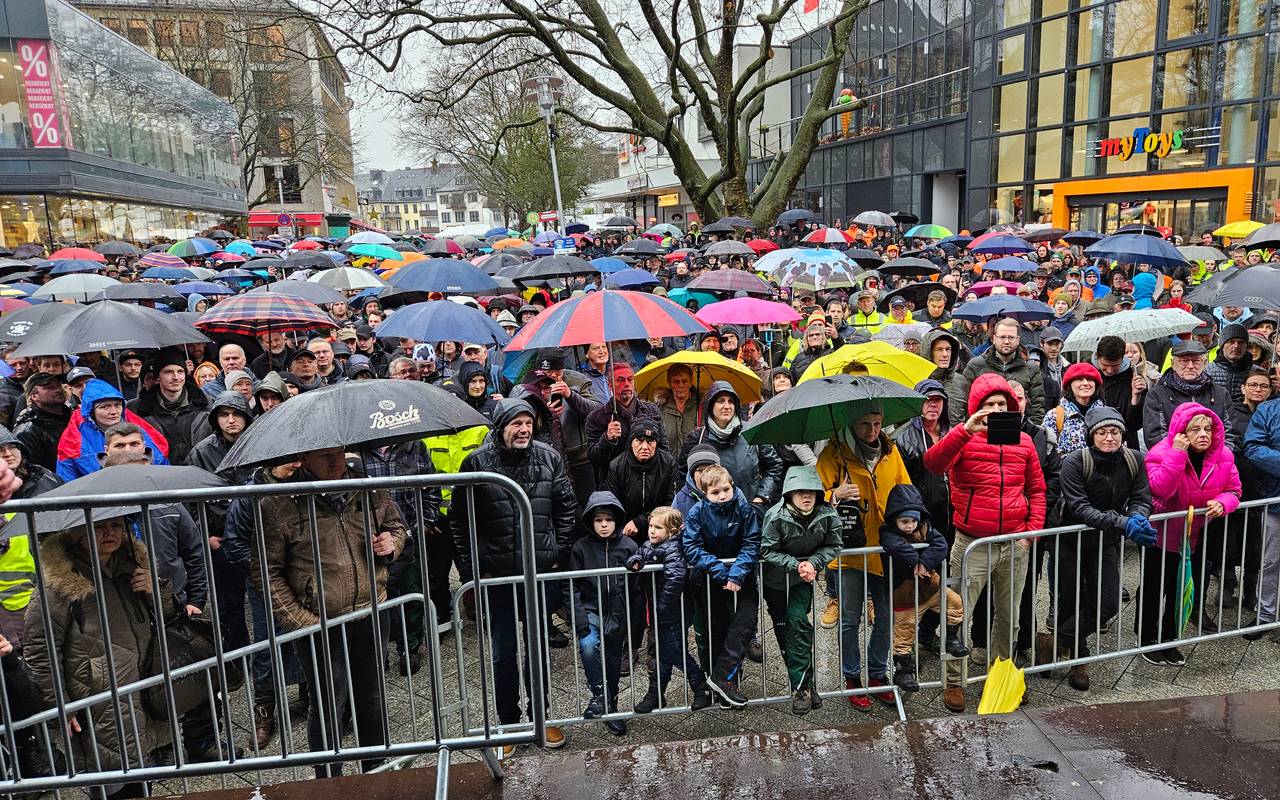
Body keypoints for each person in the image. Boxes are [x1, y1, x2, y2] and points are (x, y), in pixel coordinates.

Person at [254, 445, 407, 777]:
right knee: (327, 706)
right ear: (304, 458)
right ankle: (329, 781)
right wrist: (303, 621)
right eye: (325, 456)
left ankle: (376, 771)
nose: (335, 461)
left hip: (371, 611)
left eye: (339, 453)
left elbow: (397, 527)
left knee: (372, 698)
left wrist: (391, 544)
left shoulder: (369, 489)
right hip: (319, 622)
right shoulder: (279, 504)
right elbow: (267, 572)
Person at [450, 399, 577, 752]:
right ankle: (508, 724)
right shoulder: (477, 463)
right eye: (516, 424)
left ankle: (541, 717)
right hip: (498, 577)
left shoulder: (549, 457)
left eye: (528, 423)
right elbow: (460, 521)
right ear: (500, 426)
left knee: (537, 650)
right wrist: (473, 569)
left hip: (539, 572)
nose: (524, 430)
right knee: (503, 653)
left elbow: (567, 506)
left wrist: (556, 552)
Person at [23, 515, 176, 794]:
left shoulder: (133, 566)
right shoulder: (59, 584)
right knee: (113, 778)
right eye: (99, 526)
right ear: (77, 532)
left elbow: (168, 619)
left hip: (143, 683)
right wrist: (58, 703)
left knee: (143, 770)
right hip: (99, 695)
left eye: (116, 525)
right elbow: (40, 649)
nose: (110, 533)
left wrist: (155, 591)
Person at [923, 373, 1047, 713]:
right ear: (977, 407)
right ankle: (954, 681)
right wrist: (966, 430)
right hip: (972, 541)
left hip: (1013, 543)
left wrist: (1029, 533)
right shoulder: (962, 438)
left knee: (1009, 617)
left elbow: (1037, 489)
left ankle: (1002, 675)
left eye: (1002, 404)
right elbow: (933, 464)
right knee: (957, 615)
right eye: (989, 404)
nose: (995, 409)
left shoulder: (1023, 442)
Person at [1045, 406, 1155, 690]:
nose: (1109, 438)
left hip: (1104, 540)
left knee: (1107, 602)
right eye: (1103, 432)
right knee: (1069, 600)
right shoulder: (1074, 462)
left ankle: (1053, 644)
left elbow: (1142, 496)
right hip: (1069, 538)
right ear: (1091, 436)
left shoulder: (1135, 460)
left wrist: (1139, 517)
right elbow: (1080, 508)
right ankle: (1078, 660)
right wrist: (1123, 523)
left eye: (1115, 432)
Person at [815, 407, 911, 711]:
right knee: (850, 618)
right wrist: (835, 494)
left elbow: (905, 490)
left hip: (884, 548)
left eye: (877, 424)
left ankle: (878, 673)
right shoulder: (833, 454)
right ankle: (852, 677)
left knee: (885, 616)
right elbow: (811, 499)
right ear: (851, 424)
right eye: (865, 424)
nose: (872, 430)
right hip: (850, 550)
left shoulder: (889, 451)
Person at [1140, 404, 1241, 664]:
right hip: (1161, 535)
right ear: (1181, 431)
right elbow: (1159, 490)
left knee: (1183, 587)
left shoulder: (1224, 455)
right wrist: (1177, 453)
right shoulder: (1161, 452)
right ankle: (1147, 639)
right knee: (1154, 588)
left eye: (1208, 428)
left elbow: (1234, 490)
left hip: (1197, 537)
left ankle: (1170, 639)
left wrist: (1223, 502)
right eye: (1195, 429)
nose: (1203, 434)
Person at [759, 466, 841, 714]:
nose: (806, 497)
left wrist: (813, 563)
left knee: (798, 624)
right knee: (784, 633)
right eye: (799, 492)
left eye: (811, 492)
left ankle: (803, 688)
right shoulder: (775, 516)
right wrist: (795, 564)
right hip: (775, 581)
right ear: (789, 494)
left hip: (801, 582)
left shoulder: (828, 515)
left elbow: (834, 544)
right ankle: (805, 684)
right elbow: (766, 550)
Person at [682, 465, 760, 708]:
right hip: (710, 577)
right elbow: (692, 547)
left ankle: (723, 677)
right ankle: (725, 686)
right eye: (716, 492)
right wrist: (719, 570)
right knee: (718, 629)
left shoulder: (743, 507)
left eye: (726, 489)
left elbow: (752, 540)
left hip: (742, 574)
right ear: (705, 493)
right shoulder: (696, 513)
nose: (723, 495)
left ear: (732, 486)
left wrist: (736, 573)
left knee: (745, 623)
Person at [879, 483, 967, 695]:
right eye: (905, 521)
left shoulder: (926, 527)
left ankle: (951, 638)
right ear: (894, 519)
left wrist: (924, 563)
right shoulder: (888, 532)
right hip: (905, 595)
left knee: (955, 604)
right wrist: (916, 558)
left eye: (913, 521)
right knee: (904, 634)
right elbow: (894, 545)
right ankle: (903, 671)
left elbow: (941, 545)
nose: (910, 526)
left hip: (931, 587)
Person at [625, 506, 710, 713]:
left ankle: (701, 688)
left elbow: (676, 578)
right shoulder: (651, 544)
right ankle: (655, 694)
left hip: (673, 611)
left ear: (671, 532)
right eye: (651, 526)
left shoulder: (673, 548)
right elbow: (640, 553)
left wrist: (661, 607)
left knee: (675, 652)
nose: (652, 531)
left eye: (658, 528)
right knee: (663, 654)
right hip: (658, 611)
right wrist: (634, 561)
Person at [569, 492, 638, 736]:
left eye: (609, 519)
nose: (604, 524)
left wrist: (634, 622)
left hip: (618, 613)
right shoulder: (581, 548)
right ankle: (599, 695)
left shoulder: (629, 546)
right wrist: (578, 619)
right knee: (588, 645)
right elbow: (572, 586)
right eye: (598, 520)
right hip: (591, 610)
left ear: (617, 520)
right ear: (591, 522)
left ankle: (611, 708)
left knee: (612, 662)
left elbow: (637, 588)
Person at [674, 381, 782, 509]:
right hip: (710, 514)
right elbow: (684, 475)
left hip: (750, 511)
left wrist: (761, 497)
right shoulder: (698, 437)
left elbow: (774, 465)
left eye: (731, 401)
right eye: (721, 401)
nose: (727, 406)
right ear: (710, 405)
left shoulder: (752, 431)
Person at [0, 427, 60, 645]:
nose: (8, 453)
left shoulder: (45, 478)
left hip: (51, 567)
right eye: (1, 449)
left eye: (13, 446)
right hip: (13, 595)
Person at [56, 378, 170, 480]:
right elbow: (67, 476)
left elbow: (161, 462)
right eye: (104, 407)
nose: (113, 412)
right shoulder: (74, 433)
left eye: (117, 405)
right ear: (91, 411)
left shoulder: (137, 424)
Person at [1143, 340, 1239, 451]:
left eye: (1196, 361)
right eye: (1184, 361)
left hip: (1215, 462)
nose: (1190, 366)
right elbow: (1155, 438)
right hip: (1174, 461)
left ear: (1205, 363)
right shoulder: (1157, 394)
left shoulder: (1220, 394)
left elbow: (1232, 436)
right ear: (1173, 364)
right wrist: (1180, 456)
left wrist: (1216, 459)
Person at [584, 363, 666, 484]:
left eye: (630, 379)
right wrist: (607, 439)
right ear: (610, 385)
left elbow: (664, 449)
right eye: (620, 380)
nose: (626, 384)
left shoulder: (652, 411)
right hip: (615, 484)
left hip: (648, 482)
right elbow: (594, 459)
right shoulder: (597, 417)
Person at [127, 350, 212, 466]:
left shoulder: (205, 402)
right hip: (160, 472)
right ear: (157, 377)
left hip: (201, 470)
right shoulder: (136, 408)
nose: (176, 377)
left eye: (180, 371)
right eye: (169, 372)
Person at [960, 317, 1047, 424]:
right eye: (1002, 337)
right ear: (994, 338)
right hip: (981, 431)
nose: (1006, 341)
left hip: (1020, 431)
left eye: (1010, 337)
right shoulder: (976, 365)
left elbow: (1037, 404)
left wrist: (1030, 431)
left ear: (1018, 339)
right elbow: (965, 400)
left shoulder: (1030, 368)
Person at [1245, 387, 1280, 640]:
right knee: (1270, 561)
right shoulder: (1268, 410)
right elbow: (1253, 446)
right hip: (1275, 499)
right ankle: (1265, 614)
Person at [606, 423, 675, 539]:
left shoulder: (668, 463)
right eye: (639, 440)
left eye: (650, 441)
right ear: (631, 442)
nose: (644, 447)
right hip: (625, 529)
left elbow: (671, 503)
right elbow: (613, 504)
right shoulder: (617, 466)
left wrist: (639, 521)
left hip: (660, 527)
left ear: (656, 443)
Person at [13, 372, 72, 472]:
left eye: (58, 385)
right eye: (49, 387)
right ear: (34, 396)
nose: (58, 389)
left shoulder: (74, 416)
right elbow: (32, 473)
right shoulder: (27, 431)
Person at [1044, 362, 1104, 456]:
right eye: (1079, 379)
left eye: (1090, 379)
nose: (1085, 383)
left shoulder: (1107, 415)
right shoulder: (1054, 416)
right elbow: (1047, 453)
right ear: (1069, 385)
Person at [923, 329, 967, 426]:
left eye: (948, 349)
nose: (945, 355)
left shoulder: (961, 381)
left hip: (958, 438)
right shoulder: (919, 381)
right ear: (929, 353)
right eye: (939, 349)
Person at [656, 363, 699, 454]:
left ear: (691, 383)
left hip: (694, 464)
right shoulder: (660, 408)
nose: (680, 385)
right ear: (670, 384)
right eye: (676, 381)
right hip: (667, 464)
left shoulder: (701, 406)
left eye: (685, 381)